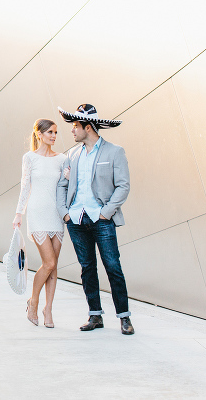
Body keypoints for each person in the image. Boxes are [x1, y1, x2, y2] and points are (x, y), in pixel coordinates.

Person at [57, 104, 134, 335]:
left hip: (101, 220)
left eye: (76, 126)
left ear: (88, 127)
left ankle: (124, 317)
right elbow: (62, 185)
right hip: (77, 221)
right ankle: (95, 315)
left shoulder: (114, 152)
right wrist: (65, 213)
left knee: (113, 267)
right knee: (87, 268)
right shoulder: (72, 154)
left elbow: (123, 185)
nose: (72, 131)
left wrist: (106, 212)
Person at [12, 119, 68, 328]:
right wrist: (19, 213)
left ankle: (49, 309)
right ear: (39, 134)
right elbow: (25, 186)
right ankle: (33, 301)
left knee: (53, 266)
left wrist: (68, 177)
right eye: (50, 132)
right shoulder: (30, 158)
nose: (54, 136)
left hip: (56, 215)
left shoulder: (62, 159)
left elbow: (64, 186)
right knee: (49, 263)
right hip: (37, 213)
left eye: (55, 132)